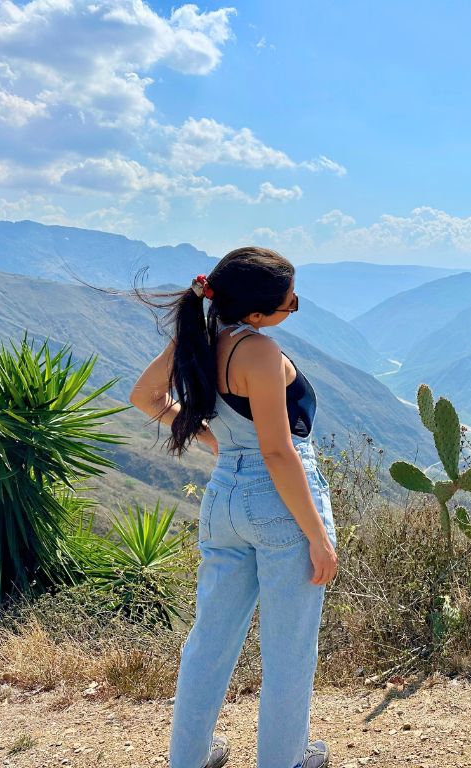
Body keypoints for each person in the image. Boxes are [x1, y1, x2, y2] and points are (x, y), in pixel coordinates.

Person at [129, 246, 338, 768]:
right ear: (255, 314)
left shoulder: (198, 338)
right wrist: (316, 535)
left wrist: (215, 441)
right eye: (290, 301)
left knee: (211, 639)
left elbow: (145, 395)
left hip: (223, 498)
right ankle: (284, 760)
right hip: (278, 501)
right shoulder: (260, 352)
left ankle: (190, 758)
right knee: (288, 649)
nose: (294, 306)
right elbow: (276, 451)